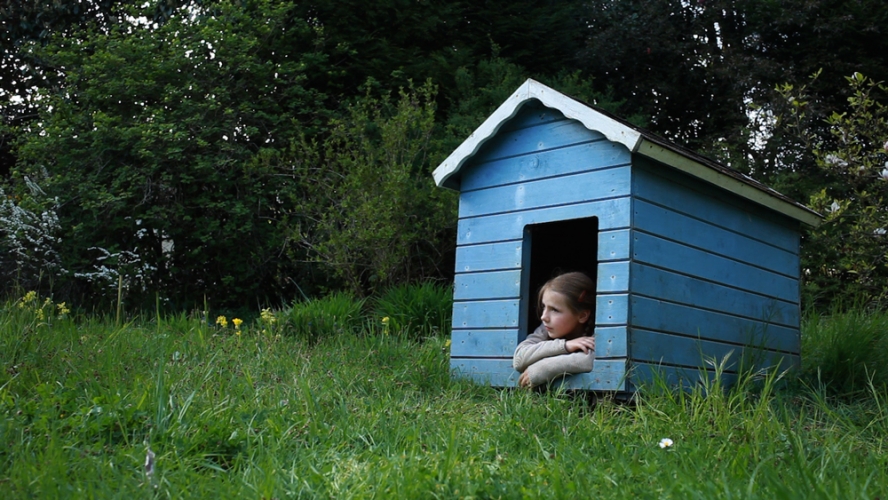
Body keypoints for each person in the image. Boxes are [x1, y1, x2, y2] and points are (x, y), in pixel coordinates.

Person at [513, 271, 596, 388]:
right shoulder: (545, 328)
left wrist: (542, 368)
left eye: (554, 310)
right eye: (544, 307)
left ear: (582, 316)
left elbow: (594, 359)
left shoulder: (599, 332)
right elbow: (519, 359)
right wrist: (565, 346)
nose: (543, 317)